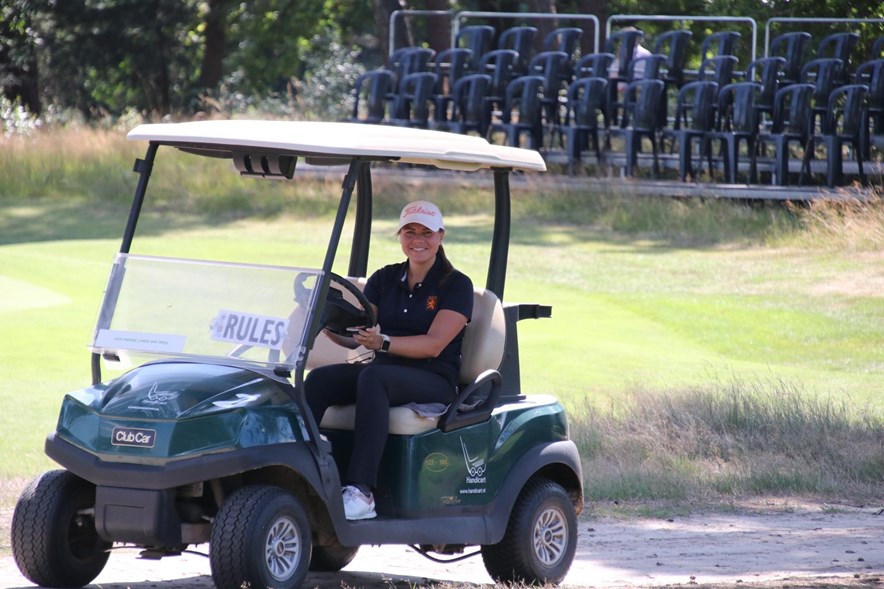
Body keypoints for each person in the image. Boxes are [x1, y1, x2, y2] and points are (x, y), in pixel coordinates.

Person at [305, 200, 473, 520]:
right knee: (320, 380)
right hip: (386, 371)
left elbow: (434, 345)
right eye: (410, 232)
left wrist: (384, 343)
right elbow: (359, 333)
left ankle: (361, 491)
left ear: (440, 236)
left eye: (426, 232)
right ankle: (305, 471)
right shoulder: (385, 278)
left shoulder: (456, 285)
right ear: (400, 236)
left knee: (373, 377)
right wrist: (328, 324)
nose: (417, 239)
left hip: (434, 378)